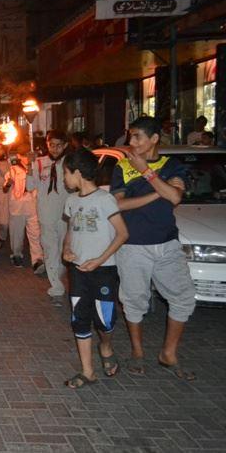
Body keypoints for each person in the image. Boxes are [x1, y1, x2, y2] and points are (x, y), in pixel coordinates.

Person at [110, 116, 196, 380]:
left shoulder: (172, 165)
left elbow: (175, 198)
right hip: (133, 245)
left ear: (154, 139)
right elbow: (118, 205)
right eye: (130, 136)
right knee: (134, 300)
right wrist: (159, 190)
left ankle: (168, 353)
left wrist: (147, 173)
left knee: (183, 297)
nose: (131, 142)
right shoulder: (123, 167)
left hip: (167, 243)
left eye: (137, 136)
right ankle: (137, 352)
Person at [61, 149, 129, 389]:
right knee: (79, 320)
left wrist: (99, 260)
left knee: (105, 320)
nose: (64, 179)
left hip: (103, 271)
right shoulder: (71, 201)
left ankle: (106, 345)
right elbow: (71, 231)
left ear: (77, 173)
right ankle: (87, 371)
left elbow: (122, 234)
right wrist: (66, 250)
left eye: (66, 173)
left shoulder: (104, 200)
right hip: (79, 271)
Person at [28, 130, 71, 299]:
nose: (54, 149)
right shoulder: (38, 163)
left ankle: (58, 274)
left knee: (62, 250)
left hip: (65, 214)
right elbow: (30, 187)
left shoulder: (69, 163)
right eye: (51, 145)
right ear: (47, 144)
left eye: (59, 145)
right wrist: (29, 167)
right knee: (49, 248)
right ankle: (56, 284)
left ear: (65, 145)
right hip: (45, 214)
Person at [6, 144, 44, 271]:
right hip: (17, 205)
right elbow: (5, 186)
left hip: (33, 203)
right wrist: (8, 184)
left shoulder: (37, 164)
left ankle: (37, 260)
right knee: (17, 233)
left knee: (35, 232)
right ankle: (16, 254)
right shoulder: (13, 165)